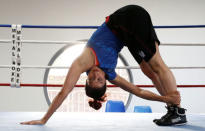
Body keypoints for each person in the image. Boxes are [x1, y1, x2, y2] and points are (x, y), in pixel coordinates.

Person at [20, 5, 186, 126]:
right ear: (106, 81)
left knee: (157, 65)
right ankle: (172, 108)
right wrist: (164, 98)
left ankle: (177, 110)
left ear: (86, 80)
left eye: (92, 79)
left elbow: (64, 91)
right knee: (148, 70)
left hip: (126, 20)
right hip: (127, 34)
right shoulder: (110, 74)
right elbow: (138, 91)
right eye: (100, 80)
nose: (96, 76)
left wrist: (44, 119)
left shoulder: (81, 62)